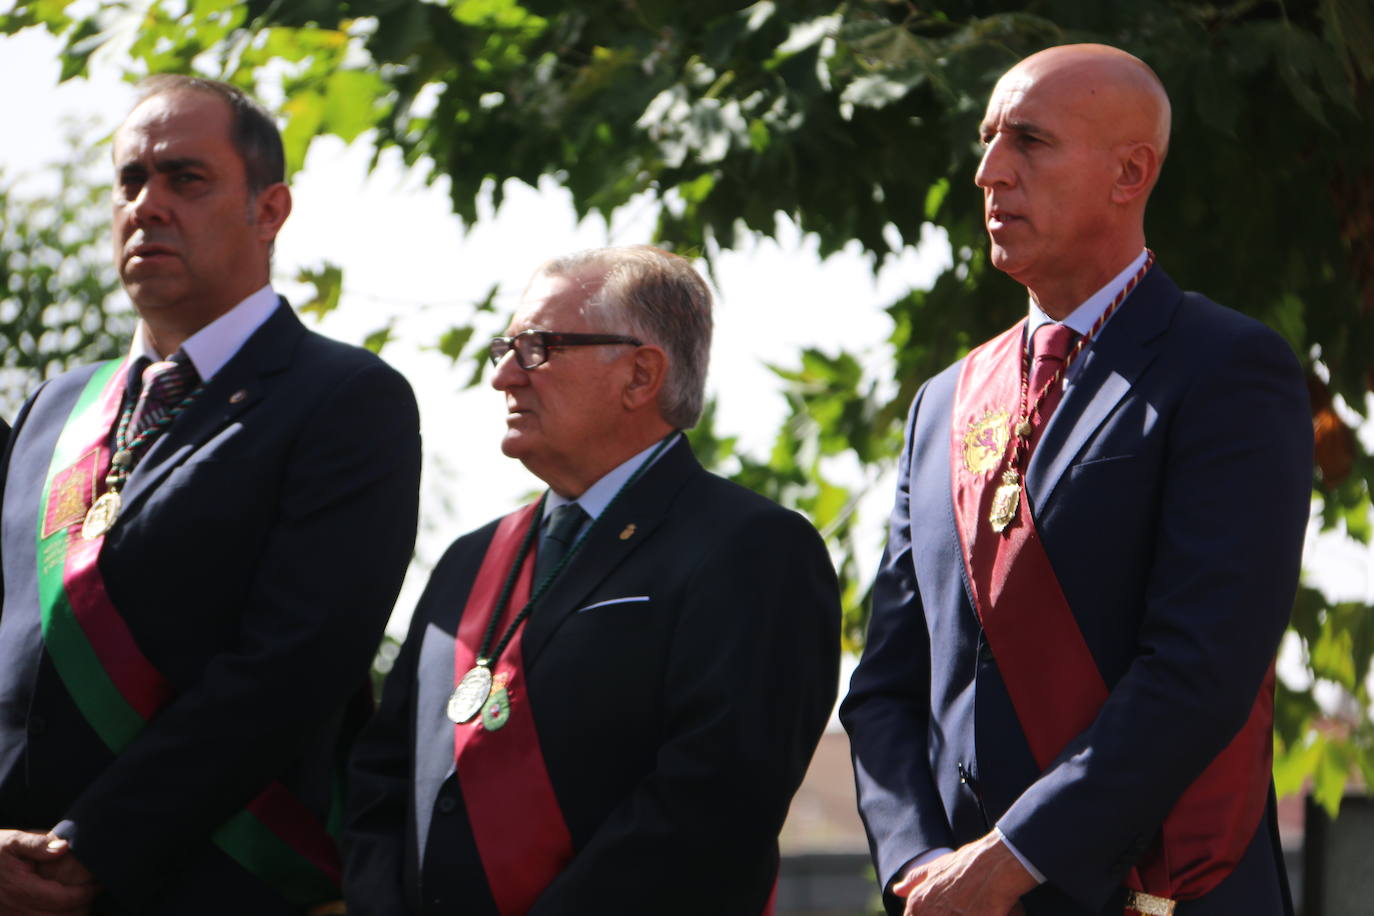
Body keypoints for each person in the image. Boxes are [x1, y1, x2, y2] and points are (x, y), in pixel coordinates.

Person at [841, 44, 1312, 916]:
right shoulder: (942, 404)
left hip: (1158, 894)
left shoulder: (1228, 369)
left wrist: (1014, 857)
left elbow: (1199, 668)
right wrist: (917, 867)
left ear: (1130, 172)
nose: (988, 172)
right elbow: (885, 689)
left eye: (1028, 140)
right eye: (987, 140)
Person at [0, 75, 421, 915]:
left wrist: (91, 850)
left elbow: (292, 669)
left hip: (207, 882)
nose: (147, 204)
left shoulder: (346, 398)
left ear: (270, 210)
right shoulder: (55, 406)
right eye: (129, 181)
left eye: (185, 179)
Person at [343, 245, 841, 915]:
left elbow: (710, 810)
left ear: (640, 375)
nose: (506, 378)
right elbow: (381, 779)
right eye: (506, 348)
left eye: (540, 348)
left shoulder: (752, 549)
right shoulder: (469, 559)